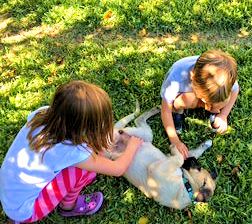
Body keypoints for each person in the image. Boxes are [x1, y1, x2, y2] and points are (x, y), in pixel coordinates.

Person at [0, 80, 143, 223]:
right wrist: (132, 146)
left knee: (87, 162)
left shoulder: (42, 113)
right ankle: (69, 207)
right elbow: (117, 169)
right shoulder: (73, 152)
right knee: (80, 169)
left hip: (9, 190)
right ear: (84, 128)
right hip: (25, 210)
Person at [160, 49, 239, 158]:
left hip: (201, 90)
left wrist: (223, 115)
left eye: (213, 106)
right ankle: (178, 112)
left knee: (222, 100)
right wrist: (175, 141)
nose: (215, 109)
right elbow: (165, 111)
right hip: (183, 94)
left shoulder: (224, 82)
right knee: (184, 101)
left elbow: (235, 90)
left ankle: (213, 105)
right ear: (192, 78)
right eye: (210, 105)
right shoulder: (175, 80)